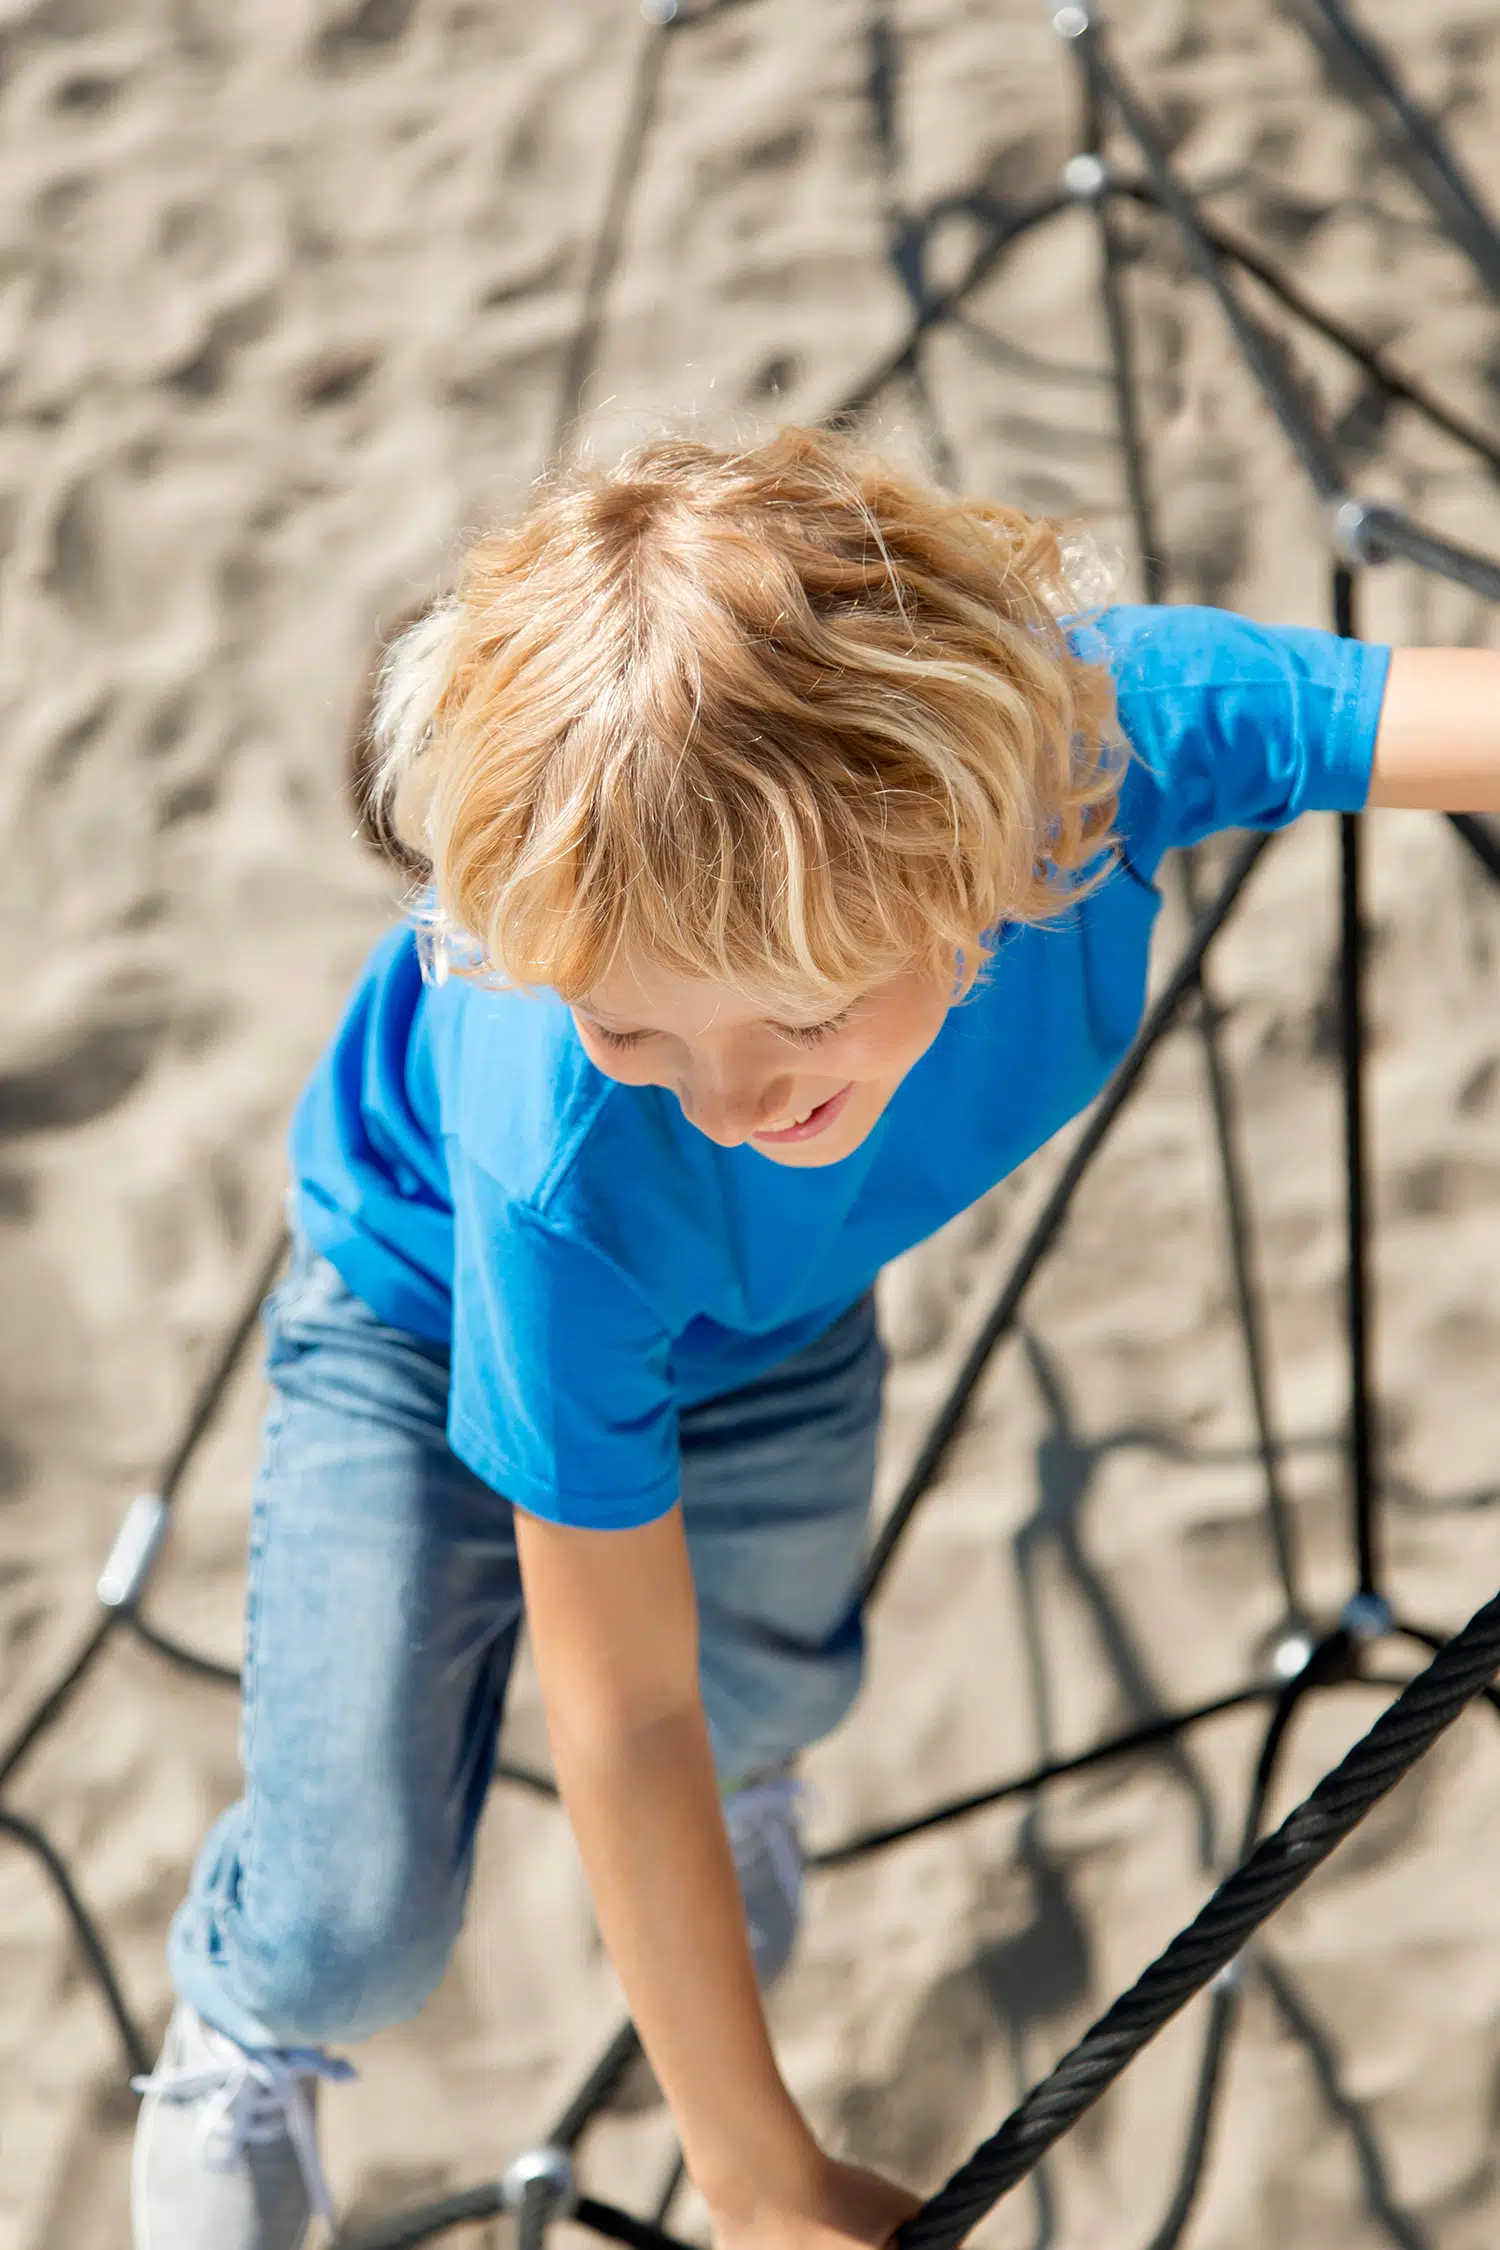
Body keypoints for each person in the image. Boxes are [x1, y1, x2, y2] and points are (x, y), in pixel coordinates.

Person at [129, 426, 1500, 2250]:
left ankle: (737, 1841)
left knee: (780, 1696)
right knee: (359, 1917)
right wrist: (755, 2172)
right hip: (426, 1294)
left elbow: (1432, 713)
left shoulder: (1092, 753)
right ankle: (241, 2018)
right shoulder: (579, 1162)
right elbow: (622, 1709)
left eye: (796, 1010)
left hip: (763, 1320)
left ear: (966, 849)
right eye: (636, 1029)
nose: (725, 1093)